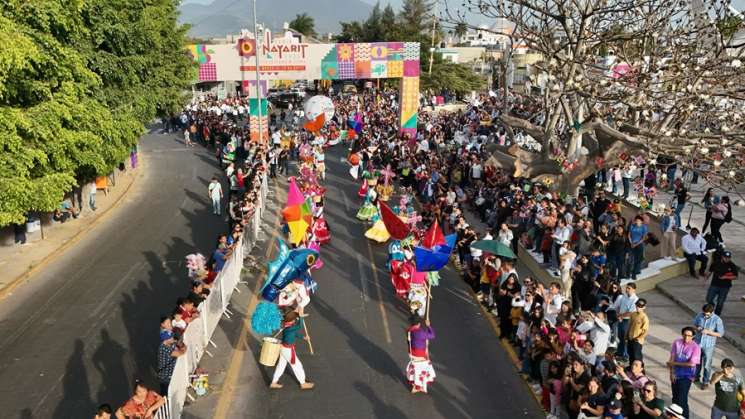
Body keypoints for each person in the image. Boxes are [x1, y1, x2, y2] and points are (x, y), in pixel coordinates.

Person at [270, 310, 314, 390]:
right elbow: (299, 326)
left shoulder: (287, 325)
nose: (295, 319)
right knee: (297, 366)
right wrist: (301, 317)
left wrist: (303, 337)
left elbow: (295, 333)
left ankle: (274, 382)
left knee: (281, 366)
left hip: (283, 348)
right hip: (288, 350)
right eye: (295, 318)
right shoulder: (291, 327)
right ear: (292, 320)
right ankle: (303, 383)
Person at [667, 326, 701, 418]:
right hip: (675, 375)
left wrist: (674, 363)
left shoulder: (696, 347)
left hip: (687, 376)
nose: (686, 337)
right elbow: (672, 358)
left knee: (682, 399)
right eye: (685, 335)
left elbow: (692, 364)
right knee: (675, 398)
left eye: (689, 336)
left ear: (693, 336)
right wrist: (672, 372)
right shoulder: (677, 343)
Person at [693, 303, 725, 389]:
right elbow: (695, 324)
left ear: (711, 312)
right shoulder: (700, 315)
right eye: (704, 313)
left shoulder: (717, 320)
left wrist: (709, 332)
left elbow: (721, 334)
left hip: (709, 345)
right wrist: (698, 328)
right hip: (698, 343)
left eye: (706, 314)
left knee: (707, 364)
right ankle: (696, 377)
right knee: (697, 362)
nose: (704, 315)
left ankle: (705, 381)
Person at [406, 315, 436, 394]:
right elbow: (432, 335)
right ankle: (418, 386)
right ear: (419, 323)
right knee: (426, 368)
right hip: (420, 355)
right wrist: (429, 326)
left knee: (417, 369)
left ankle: (416, 384)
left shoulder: (409, 331)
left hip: (412, 353)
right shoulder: (420, 333)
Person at [706, 250, 738, 316]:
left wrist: (725, 277)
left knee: (720, 303)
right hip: (714, 285)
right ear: (722, 257)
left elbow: (735, 277)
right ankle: (712, 305)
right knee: (708, 299)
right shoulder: (716, 263)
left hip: (725, 287)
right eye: (725, 257)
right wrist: (706, 277)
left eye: (728, 258)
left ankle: (716, 316)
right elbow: (710, 271)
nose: (727, 259)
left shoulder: (732, 265)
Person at [614, 283, 639, 362]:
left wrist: (621, 316)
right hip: (621, 319)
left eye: (629, 288)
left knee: (626, 339)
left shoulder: (635, 299)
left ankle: (626, 355)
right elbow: (618, 306)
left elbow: (631, 312)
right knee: (621, 337)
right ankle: (619, 353)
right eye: (626, 288)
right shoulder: (623, 297)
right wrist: (618, 314)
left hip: (628, 320)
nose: (627, 290)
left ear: (634, 289)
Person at [157, 329, 185, 396]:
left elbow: (182, 345)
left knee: (175, 391)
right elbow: (179, 353)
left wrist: (182, 347)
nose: (173, 338)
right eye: (170, 337)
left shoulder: (171, 343)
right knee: (166, 395)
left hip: (171, 374)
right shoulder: (163, 348)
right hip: (165, 377)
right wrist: (182, 349)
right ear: (165, 340)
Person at [627, 298, 649, 364]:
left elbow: (645, 331)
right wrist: (626, 335)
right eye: (637, 305)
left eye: (640, 306)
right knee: (631, 356)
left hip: (637, 341)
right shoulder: (633, 314)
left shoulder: (644, 317)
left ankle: (641, 371)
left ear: (644, 307)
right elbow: (630, 326)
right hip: (630, 338)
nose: (638, 307)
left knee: (637, 358)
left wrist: (639, 338)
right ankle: (631, 369)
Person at [628, 216, 648, 280]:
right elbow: (629, 235)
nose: (637, 221)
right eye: (636, 220)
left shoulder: (644, 227)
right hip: (632, 244)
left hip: (639, 244)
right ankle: (628, 272)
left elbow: (643, 238)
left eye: (639, 220)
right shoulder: (632, 226)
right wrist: (631, 242)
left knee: (638, 259)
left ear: (642, 221)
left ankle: (634, 273)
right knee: (630, 259)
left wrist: (636, 244)